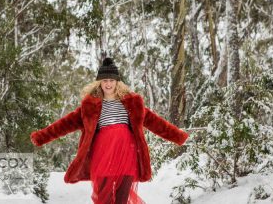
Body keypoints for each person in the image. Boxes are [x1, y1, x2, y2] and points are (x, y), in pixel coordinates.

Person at [30, 57, 189, 204]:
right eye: (104, 80)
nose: (108, 84)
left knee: (121, 199)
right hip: (103, 156)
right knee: (104, 199)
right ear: (99, 82)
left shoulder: (132, 102)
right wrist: (41, 137)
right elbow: (64, 124)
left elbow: (156, 123)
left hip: (127, 155)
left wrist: (179, 136)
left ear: (117, 81)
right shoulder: (90, 106)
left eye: (111, 80)